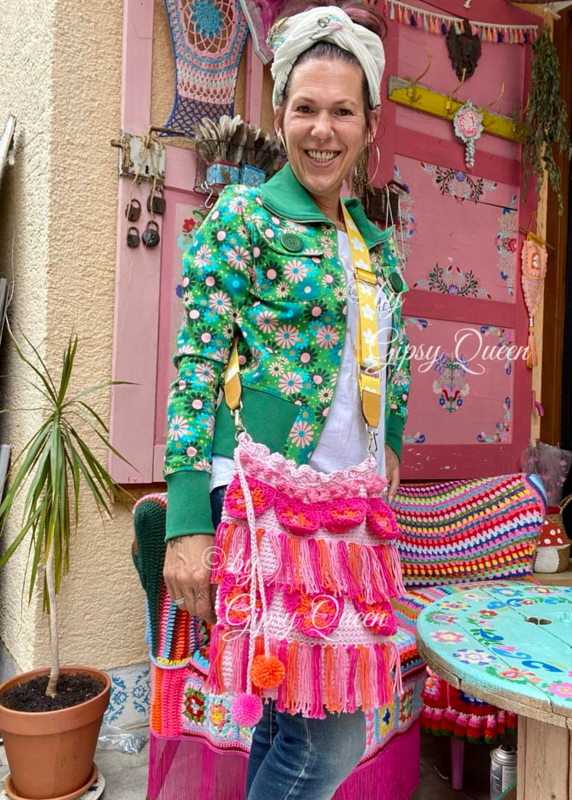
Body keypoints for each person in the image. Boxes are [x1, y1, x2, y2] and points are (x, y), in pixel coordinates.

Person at [163, 2, 411, 797]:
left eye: (343, 112)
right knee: (326, 743)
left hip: (348, 514)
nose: (322, 130)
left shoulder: (374, 245)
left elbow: (395, 357)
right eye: (306, 109)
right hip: (265, 507)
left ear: (370, 126)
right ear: (280, 116)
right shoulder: (243, 218)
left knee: (292, 719)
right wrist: (186, 520)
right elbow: (196, 365)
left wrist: (389, 441)